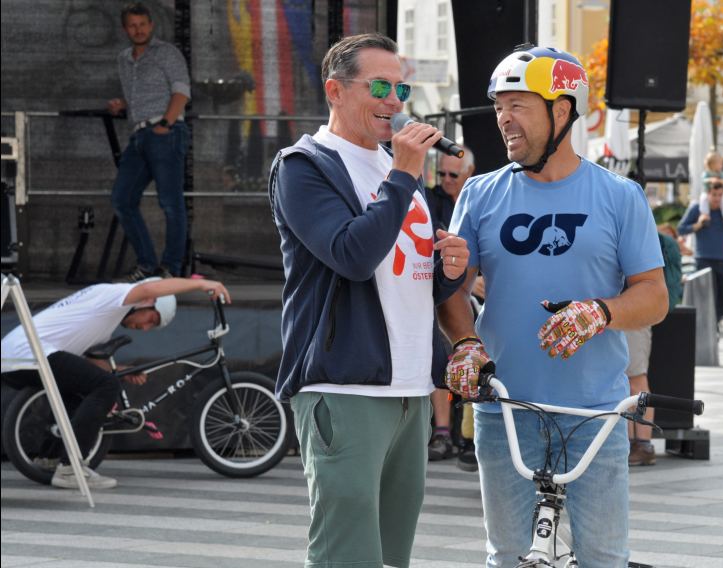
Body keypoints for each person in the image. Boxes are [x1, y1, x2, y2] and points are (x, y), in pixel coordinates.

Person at [437, 46, 667, 565]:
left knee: (603, 556)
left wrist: (600, 312)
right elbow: (451, 290)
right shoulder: (478, 194)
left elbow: (654, 295)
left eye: (518, 104)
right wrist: (465, 343)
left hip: (594, 412)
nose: (503, 118)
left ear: (562, 110)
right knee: (508, 554)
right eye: (499, 106)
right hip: (503, 409)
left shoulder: (618, 195)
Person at [267, 33, 469, 566]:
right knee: (346, 555)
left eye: (402, 87)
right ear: (335, 90)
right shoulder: (304, 166)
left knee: (392, 556)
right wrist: (404, 175)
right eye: (380, 85)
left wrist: (451, 267)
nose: (395, 100)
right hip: (344, 386)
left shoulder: (399, 174)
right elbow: (352, 256)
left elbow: (411, 280)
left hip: (411, 390)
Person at [1, 277, 230, 489]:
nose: (146, 328)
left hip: (13, 356)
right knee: (107, 387)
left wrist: (120, 371)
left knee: (84, 388)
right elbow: (151, 287)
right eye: (152, 320)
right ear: (147, 302)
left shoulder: (104, 318)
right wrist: (201, 284)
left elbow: (91, 363)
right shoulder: (114, 294)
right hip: (31, 353)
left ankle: (50, 457)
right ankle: (71, 469)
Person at [108, 2, 192, 281]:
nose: (138, 29)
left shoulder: (166, 52)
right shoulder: (123, 59)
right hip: (138, 134)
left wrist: (166, 124)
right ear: (125, 28)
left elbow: (182, 92)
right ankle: (146, 265)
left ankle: (170, 269)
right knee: (122, 199)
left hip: (164, 132)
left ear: (151, 25)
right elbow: (139, 96)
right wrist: (124, 105)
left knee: (170, 202)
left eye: (142, 24)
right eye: (132, 25)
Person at [425, 146, 480, 473]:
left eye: (453, 175)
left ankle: (470, 437)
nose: (445, 180)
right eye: (441, 173)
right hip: (444, 290)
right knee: (443, 357)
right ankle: (443, 432)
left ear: (468, 174)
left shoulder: (481, 197)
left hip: (480, 299)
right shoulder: (433, 200)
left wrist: (479, 279)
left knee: (477, 358)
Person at [627, 228, 683, 467]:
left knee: (636, 379)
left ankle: (643, 443)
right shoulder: (647, 235)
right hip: (625, 314)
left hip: (633, 315)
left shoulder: (649, 236)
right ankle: (632, 442)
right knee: (628, 381)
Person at [678, 177, 723, 320]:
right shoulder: (697, 209)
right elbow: (681, 229)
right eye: (714, 195)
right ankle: (707, 327)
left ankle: (714, 324)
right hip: (703, 259)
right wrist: (698, 225)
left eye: (720, 195)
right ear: (708, 194)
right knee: (705, 296)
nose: (717, 199)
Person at [698, 152, 723, 223]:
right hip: (707, 192)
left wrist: (719, 180)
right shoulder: (707, 173)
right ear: (712, 164)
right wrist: (710, 180)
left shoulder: (721, 173)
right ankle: (705, 214)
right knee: (703, 200)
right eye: (720, 163)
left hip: (718, 192)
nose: (722, 165)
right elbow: (703, 180)